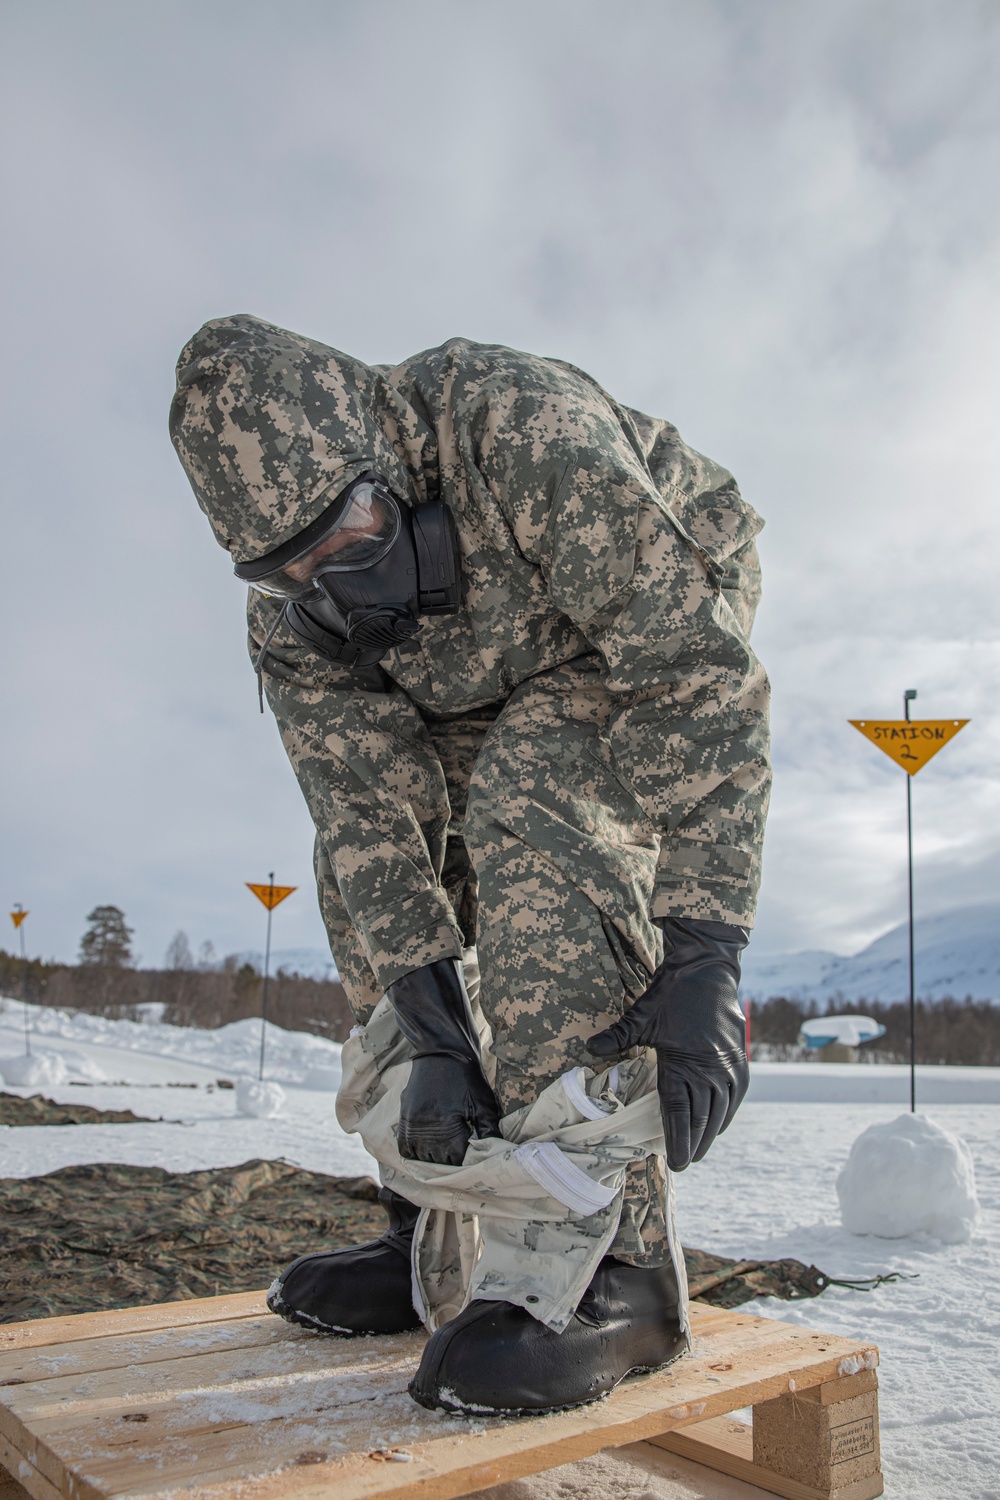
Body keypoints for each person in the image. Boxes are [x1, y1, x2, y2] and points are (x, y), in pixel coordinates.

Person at [170, 314, 770, 1415]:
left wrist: (704, 953)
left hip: (619, 614)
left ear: (386, 461)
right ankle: (428, 1232)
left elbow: (691, 674)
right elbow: (367, 820)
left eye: (351, 538)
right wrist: (437, 1040)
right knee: (367, 877)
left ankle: (612, 1270)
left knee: (533, 803)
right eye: (289, 568)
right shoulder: (300, 624)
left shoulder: (519, 432)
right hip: (464, 671)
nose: (333, 585)